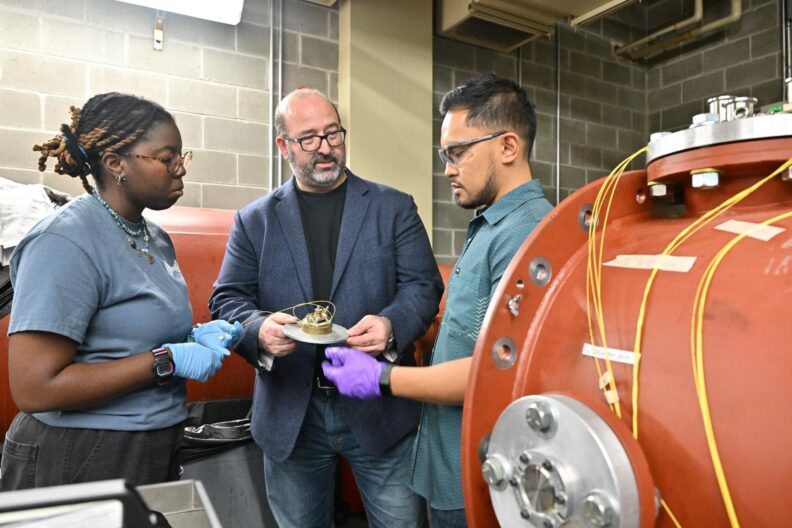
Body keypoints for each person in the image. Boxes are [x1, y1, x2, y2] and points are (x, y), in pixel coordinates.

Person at [322, 72, 554, 527]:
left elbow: (494, 374)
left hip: (478, 476)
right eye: (444, 154)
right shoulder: (493, 226)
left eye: (456, 152)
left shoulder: (526, 234)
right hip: (450, 464)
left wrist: (382, 378)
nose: (447, 168)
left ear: (507, 147)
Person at [209, 87, 443, 527]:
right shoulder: (254, 220)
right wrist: (257, 329)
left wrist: (391, 326)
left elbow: (423, 286)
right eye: (309, 138)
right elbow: (226, 298)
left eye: (333, 134)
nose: (324, 148)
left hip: (378, 403)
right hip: (291, 411)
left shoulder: (393, 208)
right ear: (283, 146)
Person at [2, 92, 240, 490]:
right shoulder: (66, 240)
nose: (180, 170)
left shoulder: (155, 238)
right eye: (167, 158)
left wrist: (191, 339)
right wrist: (167, 359)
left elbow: (124, 335)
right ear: (116, 164)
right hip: (81, 452)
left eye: (183, 157)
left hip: (153, 440)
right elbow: (34, 388)